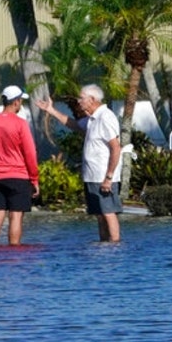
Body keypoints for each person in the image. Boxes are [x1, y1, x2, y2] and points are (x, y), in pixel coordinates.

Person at [36, 84, 123, 242]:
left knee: (108, 213)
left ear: (92, 100)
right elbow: (74, 125)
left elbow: (116, 148)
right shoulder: (92, 119)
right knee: (99, 215)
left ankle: (115, 247)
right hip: (92, 177)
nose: (78, 101)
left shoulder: (106, 117)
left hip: (103, 177)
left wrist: (109, 177)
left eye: (81, 98)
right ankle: (104, 246)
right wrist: (51, 111)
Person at [0, 85, 39, 246]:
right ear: (16, 102)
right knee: (16, 216)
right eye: (21, 101)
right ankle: (14, 248)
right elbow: (30, 153)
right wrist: (34, 179)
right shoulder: (20, 124)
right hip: (18, 177)